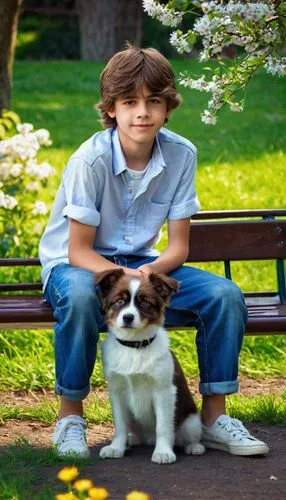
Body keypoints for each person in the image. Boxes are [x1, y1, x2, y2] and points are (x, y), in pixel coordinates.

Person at [39, 45, 268, 459]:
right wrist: (128, 281)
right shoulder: (89, 160)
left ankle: (214, 419)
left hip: (143, 266)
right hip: (78, 266)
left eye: (154, 102)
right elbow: (77, 250)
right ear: (111, 109)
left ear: (167, 108)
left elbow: (178, 246)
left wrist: (147, 276)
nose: (142, 112)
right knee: (76, 297)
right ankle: (70, 417)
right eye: (130, 102)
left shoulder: (181, 155)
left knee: (224, 296)